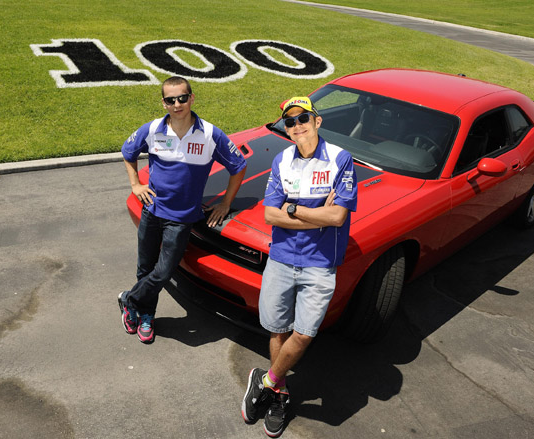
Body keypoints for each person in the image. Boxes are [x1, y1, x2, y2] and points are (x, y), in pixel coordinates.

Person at [241, 96, 357, 436]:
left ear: (317, 121)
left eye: (303, 118)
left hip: (320, 264)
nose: (296, 125)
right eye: (289, 122)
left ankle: (265, 382)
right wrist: (312, 214)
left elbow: (338, 216)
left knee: (304, 333)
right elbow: (269, 213)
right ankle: (280, 393)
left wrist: (293, 210)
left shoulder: (340, 159)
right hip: (281, 258)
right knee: (278, 329)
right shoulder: (281, 160)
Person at [118, 76, 247, 344]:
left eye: (182, 98)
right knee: (145, 269)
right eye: (170, 100)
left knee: (163, 272)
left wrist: (225, 203)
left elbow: (238, 165)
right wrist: (135, 184)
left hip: (181, 219)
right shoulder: (152, 129)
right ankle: (145, 315)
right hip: (152, 211)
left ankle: (128, 299)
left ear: (192, 98)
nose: (177, 104)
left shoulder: (211, 134)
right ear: (163, 102)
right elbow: (128, 152)